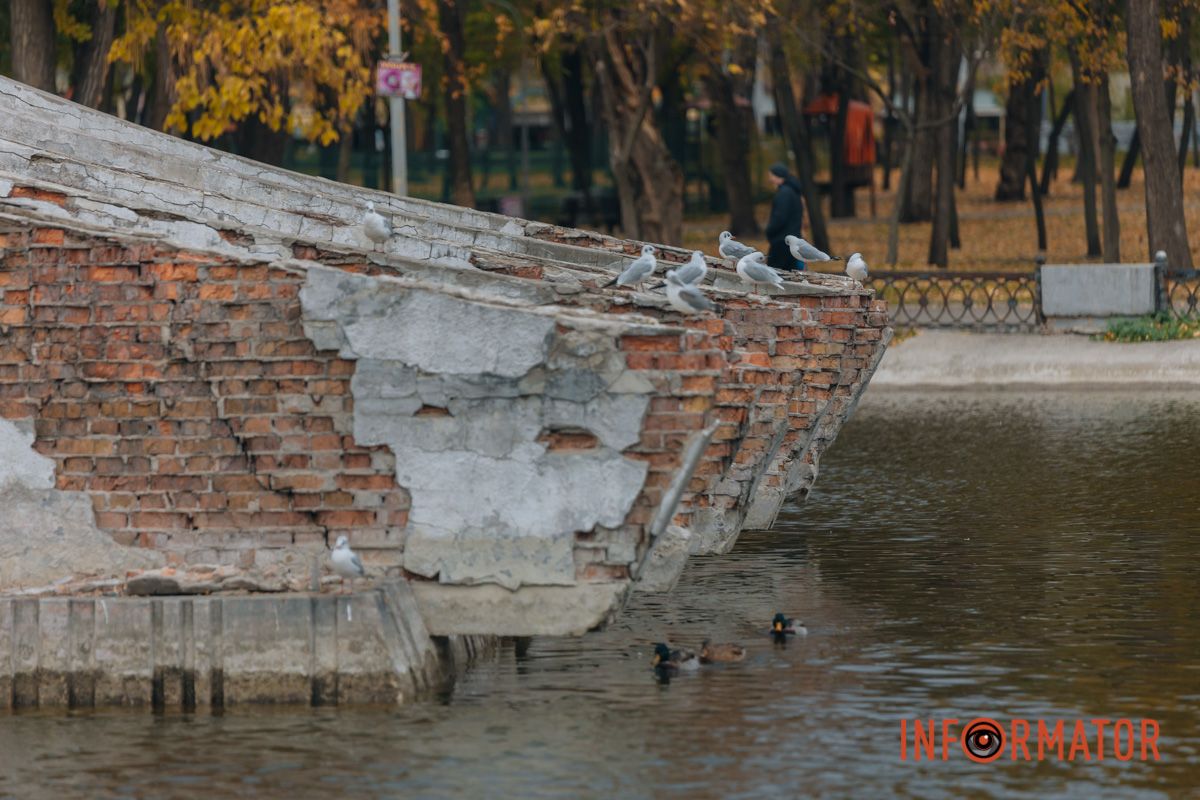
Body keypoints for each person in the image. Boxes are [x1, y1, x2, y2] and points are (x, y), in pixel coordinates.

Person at [764, 163, 805, 271]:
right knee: (790, 273)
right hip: (791, 241)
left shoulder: (784, 193)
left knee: (774, 273)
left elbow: (779, 218)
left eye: (771, 176)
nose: (770, 179)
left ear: (778, 176)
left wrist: (769, 231)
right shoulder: (793, 191)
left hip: (781, 242)